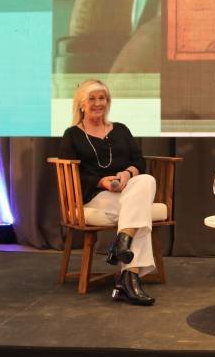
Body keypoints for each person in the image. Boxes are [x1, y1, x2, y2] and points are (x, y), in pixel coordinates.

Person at [59, 79, 156, 306]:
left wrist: (127, 174)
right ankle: (129, 279)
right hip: (95, 197)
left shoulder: (120, 130)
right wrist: (101, 181)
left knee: (146, 180)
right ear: (81, 104)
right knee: (140, 214)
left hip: (127, 193)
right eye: (92, 98)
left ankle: (122, 246)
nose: (98, 103)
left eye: (102, 98)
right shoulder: (72, 135)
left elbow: (139, 161)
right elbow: (73, 174)